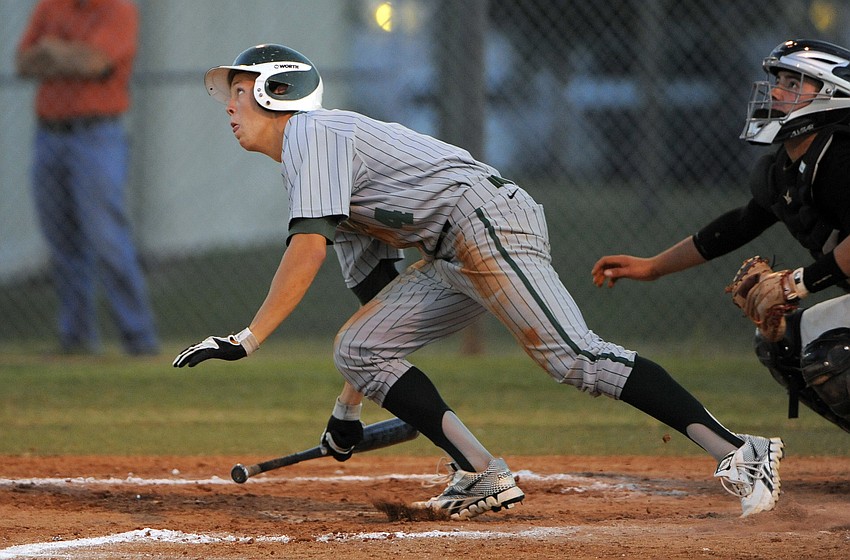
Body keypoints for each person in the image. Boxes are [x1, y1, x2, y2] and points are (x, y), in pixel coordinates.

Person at [173, 43, 783, 519]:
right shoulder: (318, 176)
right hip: (450, 251)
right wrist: (347, 410)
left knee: (576, 359)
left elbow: (304, 248)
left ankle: (743, 453)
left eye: (241, 91)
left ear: (280, 92)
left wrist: (248, 337)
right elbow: (380, 313)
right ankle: (481, 472)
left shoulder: (315, 134)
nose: (228, 106)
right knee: (359, 347)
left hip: (486, 221)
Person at [592, 39, 850, 434]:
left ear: (832, 94)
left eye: (794, 82)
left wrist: (797, 284)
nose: (777, 91)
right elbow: (737, 226)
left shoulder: (842, 156)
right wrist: (654, 267)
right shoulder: (785, 167)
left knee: (831, 356)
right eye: (778, 79)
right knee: (782, 347)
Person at [15, 0, 159, 356]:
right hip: (50, 134)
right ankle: (76, 339)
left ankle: (139, 339)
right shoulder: (50, 6)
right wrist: (70, 58)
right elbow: (22, 62)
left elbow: (96, 62)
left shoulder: (117, 9)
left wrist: (52, 52)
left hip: (97, 135)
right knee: (62, 243)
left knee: (107, 239)